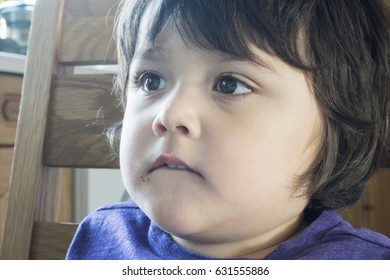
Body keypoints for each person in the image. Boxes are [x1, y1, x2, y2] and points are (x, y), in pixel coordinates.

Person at [66, 0, 390, 260]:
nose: (169, 114)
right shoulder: (102, 237)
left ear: (340, 133)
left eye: (230, 85)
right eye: (152, 80)